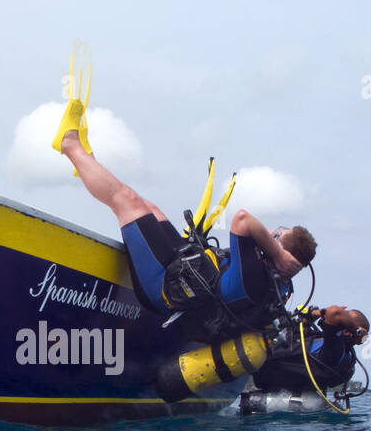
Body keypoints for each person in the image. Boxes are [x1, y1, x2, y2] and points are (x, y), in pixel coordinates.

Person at [52, 93, 316, 341]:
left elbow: (243, 219)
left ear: (283, 251)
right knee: (149, 208)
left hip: (165, 288)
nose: (272, 234)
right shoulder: (273, 281)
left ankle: (69, 144)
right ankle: (87, 166)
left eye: (279, 236)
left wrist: (278, 254)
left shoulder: (258, 272)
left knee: (127, 201)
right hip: (186, 272)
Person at [253, 304, 370, 392]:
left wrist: (319, 313)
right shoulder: (324, 342)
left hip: (256, 363)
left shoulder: (337, 350)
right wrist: (308, 317)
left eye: (346, 317)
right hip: (261, 367)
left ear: (348, 330)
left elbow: (335, 313)